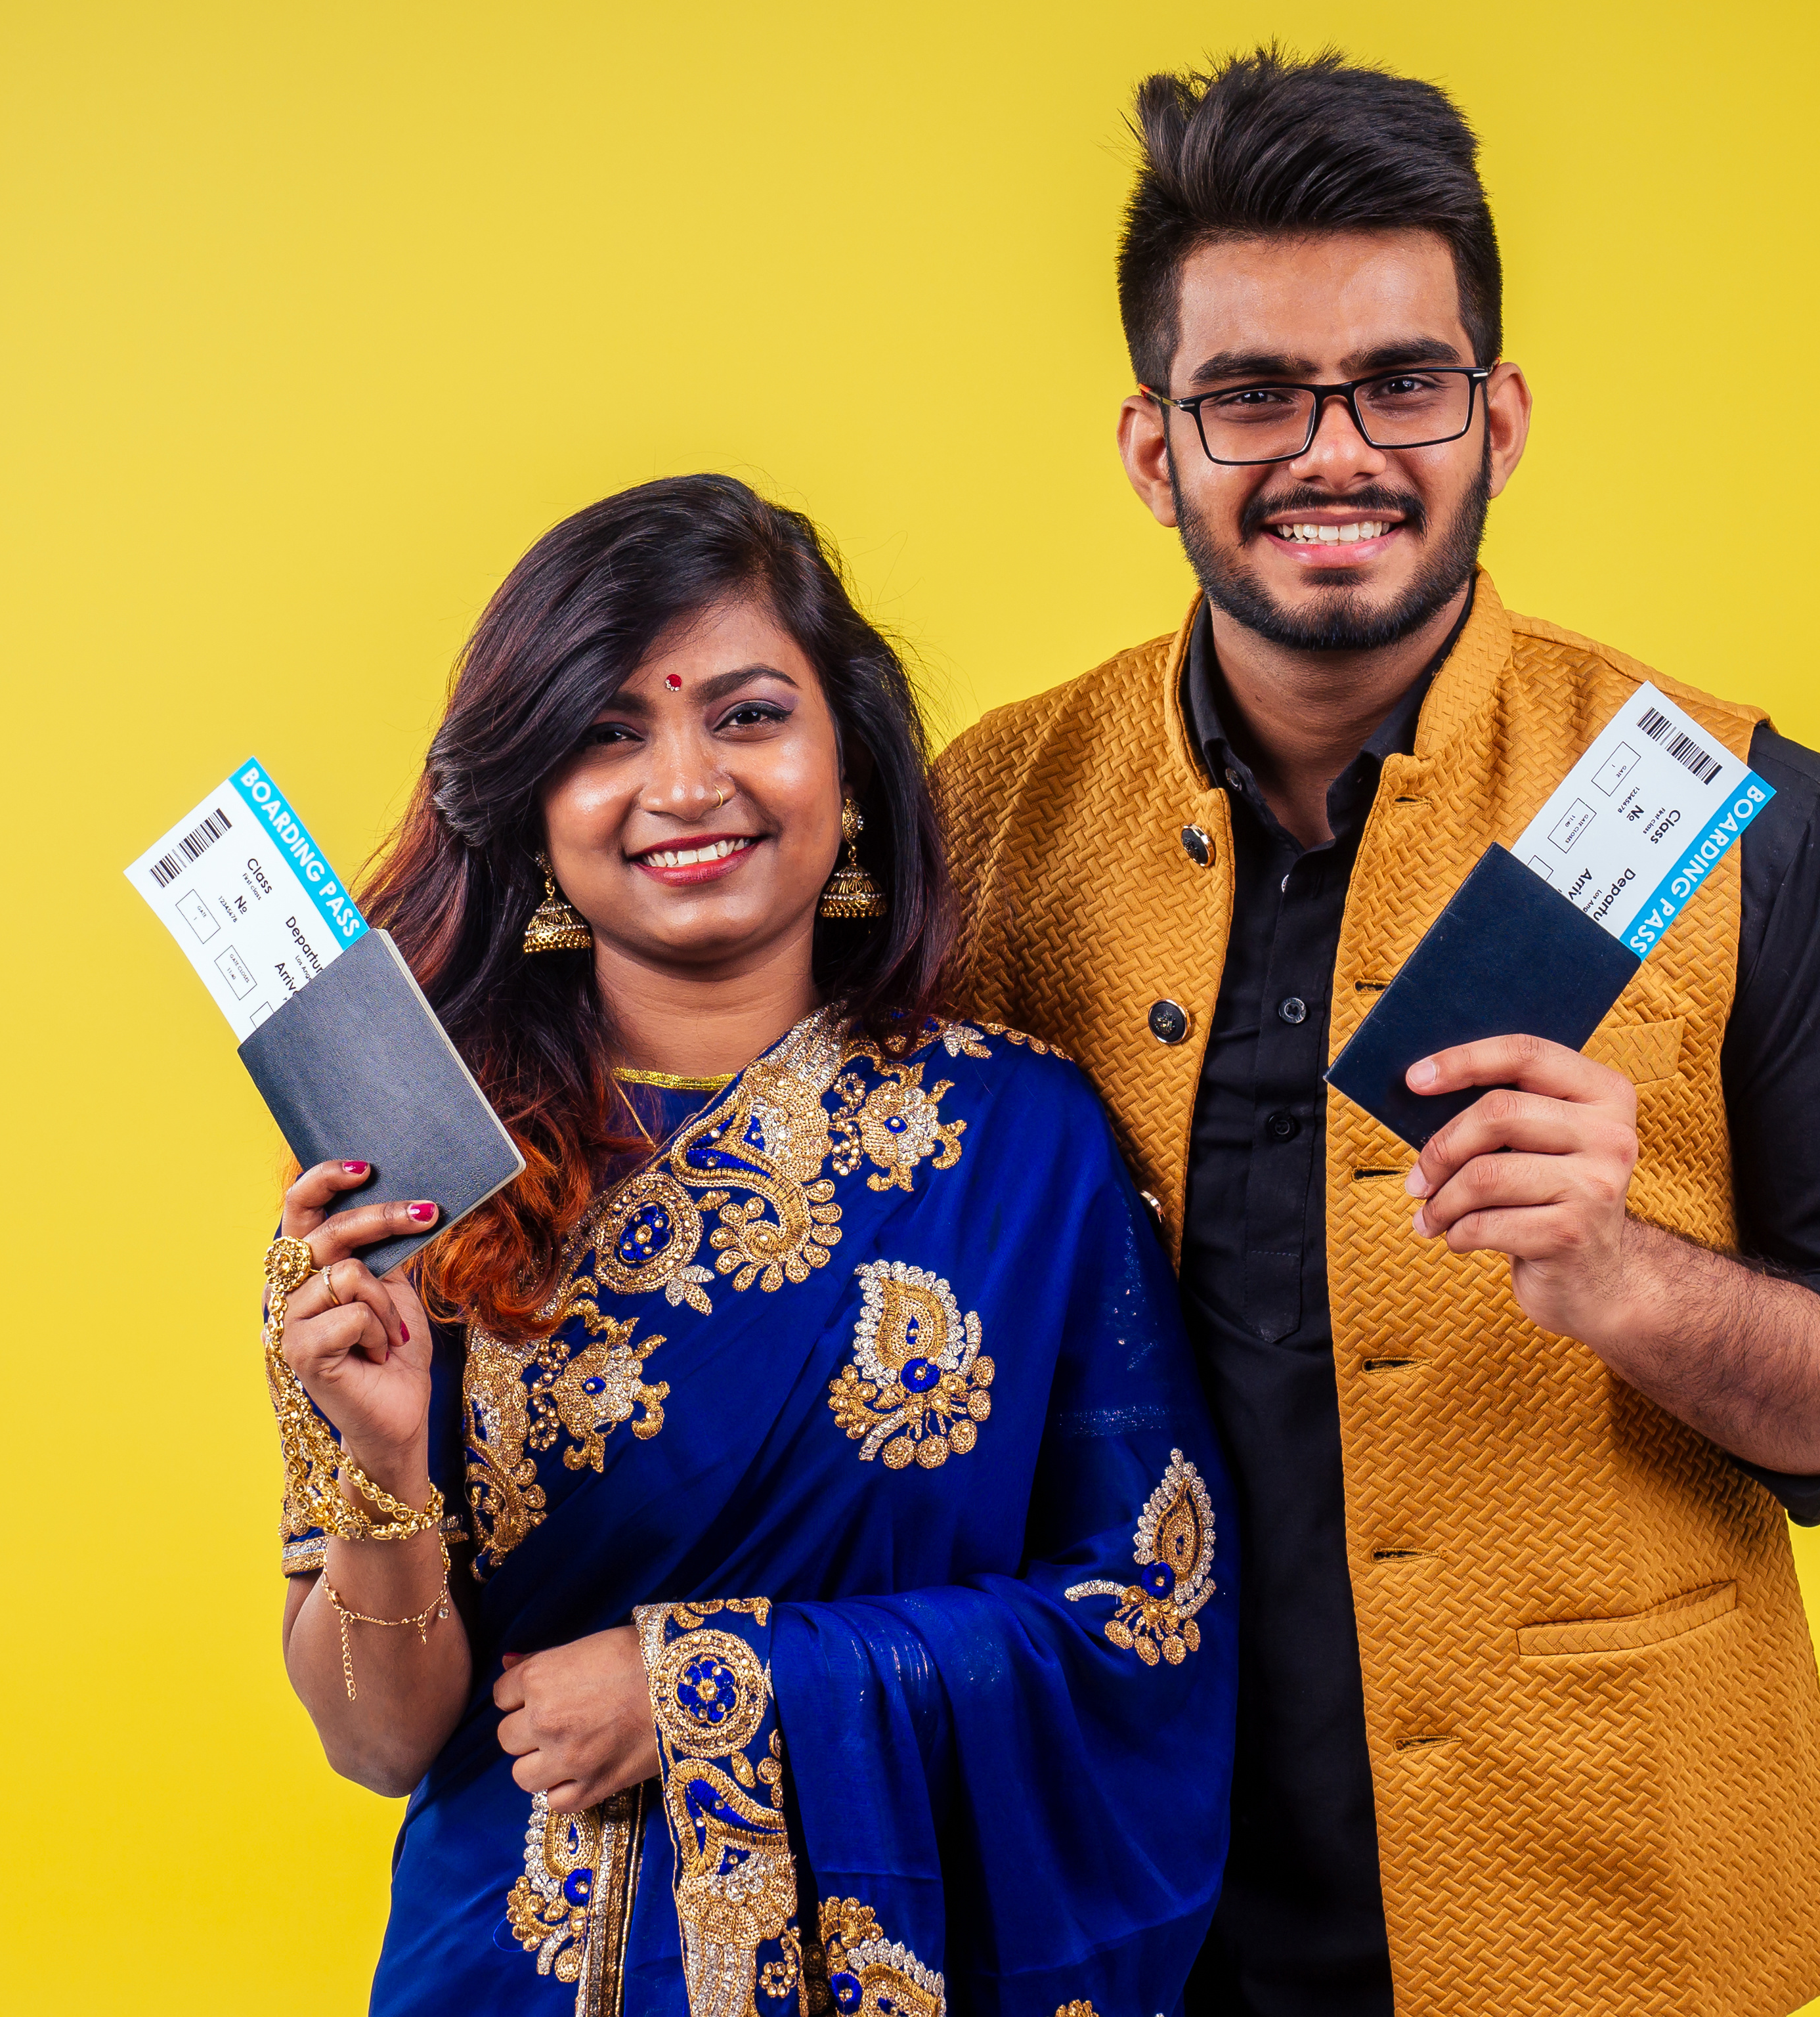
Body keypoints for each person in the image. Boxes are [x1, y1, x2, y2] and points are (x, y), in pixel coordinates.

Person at [932, 49, 1820, 2017]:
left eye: (1401, 384)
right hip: (1111, 1886)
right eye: (1253, 394)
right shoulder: (987, 817)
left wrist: (1627, 1278)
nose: (1331, 450)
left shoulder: (1757, 821)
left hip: (1609, 1899)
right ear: (1153, 449)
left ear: (1497, 417)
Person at [264, 473, 1237, 2015]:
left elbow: (1151, 1608)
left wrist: (708, 1684)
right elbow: (381, 1743)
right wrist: (381, 1466)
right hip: (514, 1970)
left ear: (848, 771)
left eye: (748, 716)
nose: (685, 783)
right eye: (607, 733)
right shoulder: (411, 1178)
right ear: (532, 805)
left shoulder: (1021, 1138)